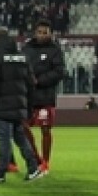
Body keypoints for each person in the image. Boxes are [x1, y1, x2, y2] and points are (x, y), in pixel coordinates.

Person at [0, 30, 45, 183]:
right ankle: (33, 168)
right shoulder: (23, 57)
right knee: (21, 138)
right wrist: (28, 107)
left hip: (2, 105)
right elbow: (31, 83)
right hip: (19, 105)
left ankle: (0, 174)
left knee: (4, 140)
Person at [23, 18, 64, 174]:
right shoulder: (27, 48)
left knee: (45, 128)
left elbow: (59, 72)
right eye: (39, 32)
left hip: (46, 96)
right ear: (35, 33)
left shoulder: (55, 50)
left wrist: (39, 80)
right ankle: (36, 158)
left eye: (45, 33)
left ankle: (45, 162)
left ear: (50, 34)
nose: (41, 35)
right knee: (23, 127)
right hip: (27, 96)